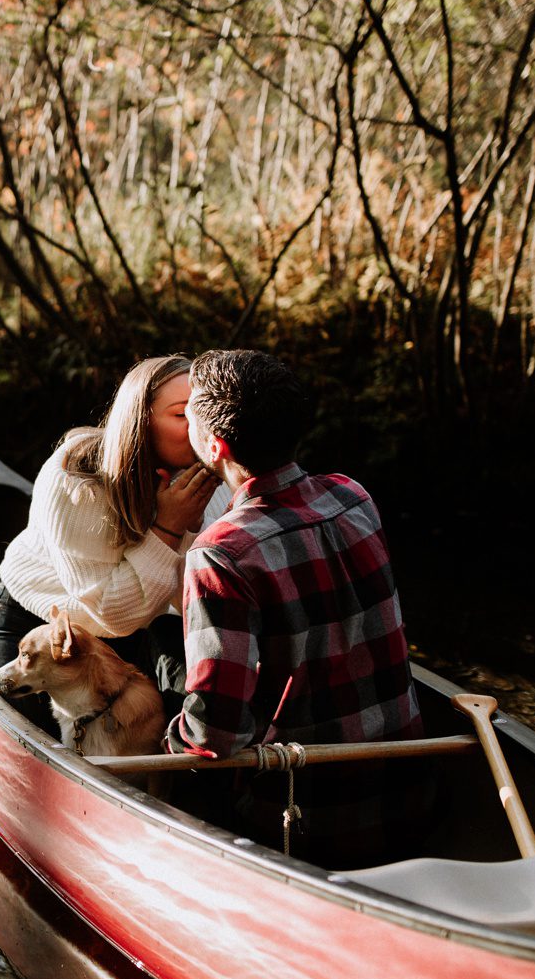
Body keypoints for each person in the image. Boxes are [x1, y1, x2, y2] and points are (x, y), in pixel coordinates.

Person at [163, 348, 426, 863]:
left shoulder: (220, 554)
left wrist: (163, 736)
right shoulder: (354, 495)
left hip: (305, 821)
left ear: (215, 446)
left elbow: (214, 734)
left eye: (188, 409)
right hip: (412, 793)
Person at [0, 356, 222, 722]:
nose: (197, 427)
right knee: (15, 724)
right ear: (139, 422)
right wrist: (170, 527)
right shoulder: (76, 481)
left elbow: (191, 592)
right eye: (180, 414)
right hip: (38, 625)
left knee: (190, 717)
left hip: (141, 626)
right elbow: (111, 613)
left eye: (202, 411)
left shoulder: (211, 475)